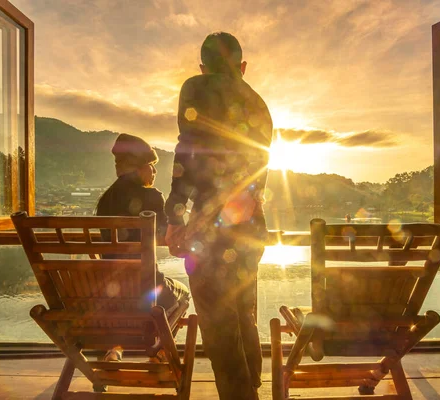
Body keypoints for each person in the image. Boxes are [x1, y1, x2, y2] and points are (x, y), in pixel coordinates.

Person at [165, 32, 273, 400]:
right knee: (244, 315)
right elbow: (258, 170)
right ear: (243, 67)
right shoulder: (258, 103)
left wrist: (175, 215)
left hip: (209, 234)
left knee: (219, 327)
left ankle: (241, 395)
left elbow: (186, 156)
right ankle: (252, 388)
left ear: (202, 67)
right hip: (251, 229)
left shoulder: (195, 89)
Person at [95, 134, 191, 360]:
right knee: (184, 295)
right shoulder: (151, 196)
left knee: (129, 306)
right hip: (146, 288)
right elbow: (167, 234)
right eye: (151, 166)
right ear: (138, 168)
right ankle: (159, 350)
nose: (155, 172)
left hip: (113, 290)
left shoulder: (105, 200)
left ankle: (115, 349)